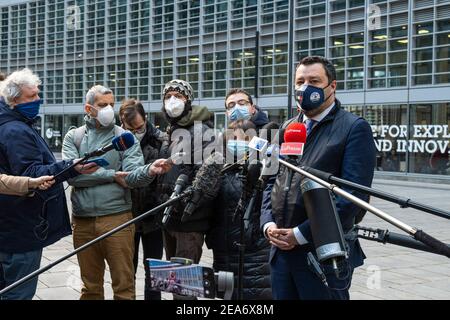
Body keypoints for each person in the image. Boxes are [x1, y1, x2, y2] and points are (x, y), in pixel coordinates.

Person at [260, 56, 376, 300]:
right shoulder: (289, 127)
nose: (305, 87)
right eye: (300, 81)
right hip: (280, 253)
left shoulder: (354, 128)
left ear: (332, 86)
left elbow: (353, 197)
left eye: (314, 80)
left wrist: (299, 234)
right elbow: (272, 180)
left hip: (323, 256)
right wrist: (268, 223)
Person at [62, 85, 172, 300]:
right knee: (90, 287)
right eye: (102, 105)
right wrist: (112, 175)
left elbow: (131, 177)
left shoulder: (124, 137)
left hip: (117, 219)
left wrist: (149, 170)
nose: (109, 109)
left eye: (111, 104)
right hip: (82, 221)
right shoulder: (73, 137)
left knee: (124, 287)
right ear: (88, 108)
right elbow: (72, 176)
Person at [0, 68, 98, 300]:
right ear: (14, 100)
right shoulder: (15, 130)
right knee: (17, 294)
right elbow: (31, 174)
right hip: (20, 231)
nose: (38, 99)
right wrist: (70, 167)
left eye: (38, 93)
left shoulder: (12, 124)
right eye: (31, 96)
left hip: (9, 228)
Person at [157, 79, 216, 299]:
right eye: (168, 96)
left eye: (178, 96)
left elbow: (207, 174)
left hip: (189, 219)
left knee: (184, 286)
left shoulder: (202, 131)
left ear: (188, 100)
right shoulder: (171, 131)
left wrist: (186, 202)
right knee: (174, 282)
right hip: (169, 216)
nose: (173, 100)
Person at [206, 120, 272, 300]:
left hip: (255, 254)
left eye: (242, 138)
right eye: (232, 138)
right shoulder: (218, 168)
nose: (237, 142)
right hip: (224, 253)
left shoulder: (264, 167)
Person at [119, 98, 168, 300]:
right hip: (126, 213)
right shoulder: (119, 139)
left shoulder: (161, 140)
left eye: (138, 127)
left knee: (154, 270)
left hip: (153, 214)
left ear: (145, 118)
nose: (135, 131)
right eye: (129, 128)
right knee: (126, 269)